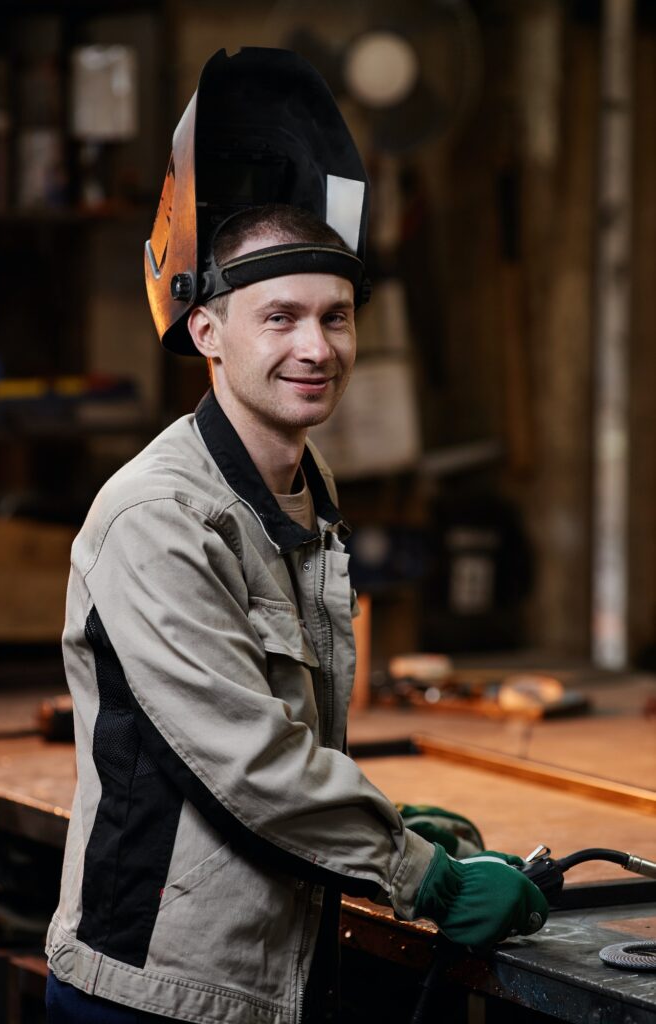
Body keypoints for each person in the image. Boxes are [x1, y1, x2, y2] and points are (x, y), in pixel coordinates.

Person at [45, 49, 547, 1024]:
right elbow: (248, 761)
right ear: (207, 331)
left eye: (336, 317)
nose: (315, 347)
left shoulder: (304, 494)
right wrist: (424, 878)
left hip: (269, 977)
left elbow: (283, 737)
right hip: (155, 994)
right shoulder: (158, 516)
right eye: (279, 317)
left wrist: (387, 830)